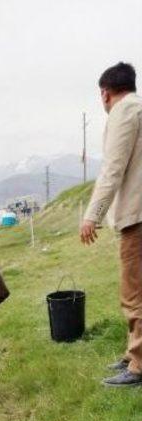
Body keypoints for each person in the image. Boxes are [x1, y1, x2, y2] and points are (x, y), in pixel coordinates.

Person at [80, 61, 142, 387]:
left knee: (134, 294)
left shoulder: (123, 112)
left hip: (137, 216)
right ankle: (134, 353)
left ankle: (139, 365)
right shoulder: (139, 108)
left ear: (105, 93)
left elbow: (113, 169)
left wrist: (92, 214)